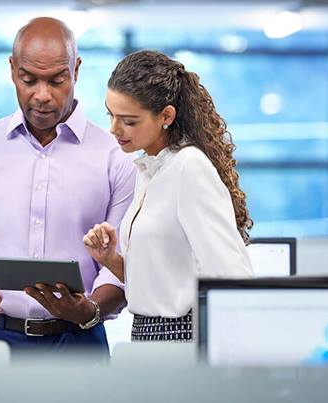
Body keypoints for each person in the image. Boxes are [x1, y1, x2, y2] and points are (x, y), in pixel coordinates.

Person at [0, 17, 136, 351]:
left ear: (76, 70)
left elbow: (124, 264)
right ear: (12, 69)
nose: (42, 95)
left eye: (57, 80)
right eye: (28, 79)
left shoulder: (115, 157)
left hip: (77, 342)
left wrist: (88, 310)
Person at [83, 50, 254, 342]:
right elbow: (162, 284)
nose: (114, 129)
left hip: (182, 339)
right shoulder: (149, 168)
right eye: (110, 114)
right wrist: (110, 259)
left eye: (129, 121)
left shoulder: (189, 168)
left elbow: (232, 276)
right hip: (148, 335)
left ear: (166, 116)